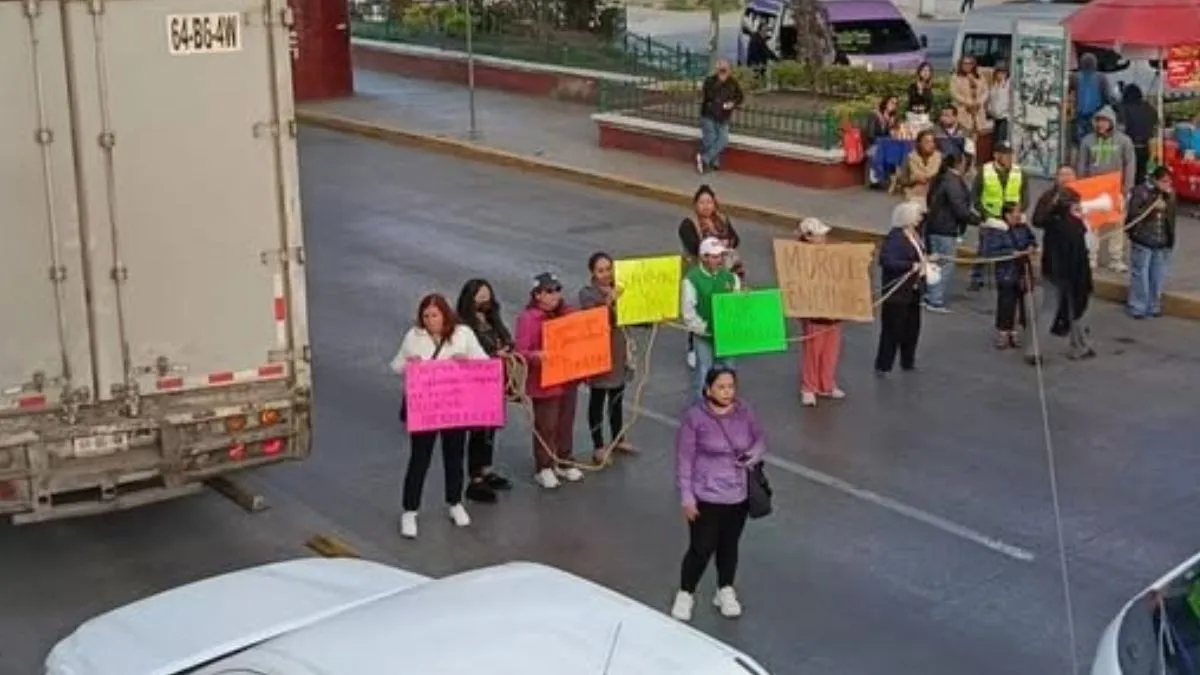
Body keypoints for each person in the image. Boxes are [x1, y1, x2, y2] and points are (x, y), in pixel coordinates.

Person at [390, 293, 490, 539]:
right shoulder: (414, 337)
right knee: (419, 459)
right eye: (425, 316)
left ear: (445, 314)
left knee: (454, 456)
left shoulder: (463, 334)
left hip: (455, 408)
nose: (430, 320)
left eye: (434, 315)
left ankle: (455, 503)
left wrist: (467, 361)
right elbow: (395, 365)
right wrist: (408, 364)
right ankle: (410, 510)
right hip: (426, 410)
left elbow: (484, 362)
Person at [670, 366, 764, 623]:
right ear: (708, 389)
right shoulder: (695, 418)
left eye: (731, 387)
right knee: (701, 547)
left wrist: (751, 457)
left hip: (738, 494)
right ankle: (686, 593)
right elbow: (684, 459)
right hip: (706, 495)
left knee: (729, 545)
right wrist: (687, 497)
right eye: (721, 387)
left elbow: (759, 440)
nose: (727, 392)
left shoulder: (745, 412)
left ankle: (725, 589)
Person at [514, 272, 585, 489]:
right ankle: (543, 466)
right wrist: (537, 356)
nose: (554, 295)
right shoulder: (528, 319)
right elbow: (521, 352)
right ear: (537, 295)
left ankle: (564, 459)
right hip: (544, 381)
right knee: (547, 425)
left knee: (566, 421)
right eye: (549, 291)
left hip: (567, 377)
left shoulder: (567, 313)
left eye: (557, 290)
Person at [455, 279, 515, 504]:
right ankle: (475, 479)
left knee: (491, 429)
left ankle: (487, 469)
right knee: (478, 432)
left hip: (495, 382)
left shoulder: (492, 320)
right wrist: (493, 355)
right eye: (479, 297)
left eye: (487, 297)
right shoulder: (463, 327)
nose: (484, 301)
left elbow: (506, 338)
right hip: (475, 385)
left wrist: (508, 348)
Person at [578, 252, 636, 464]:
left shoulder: (621, 288)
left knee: (617, 397)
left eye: (608, 269)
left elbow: (634, 314)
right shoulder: (587, 294)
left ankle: (618, 438)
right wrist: (609, 301)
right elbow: (593, 319)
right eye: (600, 270)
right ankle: (598, 445)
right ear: (592, 272)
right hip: (599, 352)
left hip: (618, 348)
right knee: (598, 399)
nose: (605, 274)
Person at [1028, 189, 1096, 363]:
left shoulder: (1052, 221)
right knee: (1077, 310)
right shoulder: (1075, 226)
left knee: (1048, 309)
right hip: (1072, 276)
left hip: (1052, 272)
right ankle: (1079, 347)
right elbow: (1079, 254)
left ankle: (1034, 350)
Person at [679, 184, 742, 369]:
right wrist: (711, 250)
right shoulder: (689, 223)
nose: (706, 206)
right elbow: (693, 246)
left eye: (709, 202)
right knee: (699, 306)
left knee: (722, 304)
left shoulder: (722, 219)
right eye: (702, 202)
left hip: (723, 271)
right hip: (699, 270)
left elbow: (735, 239)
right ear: (695, 204)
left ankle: (722, 339)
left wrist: (724, 250)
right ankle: (694, 347)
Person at [875, 201, 934, 374]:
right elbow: (887, 261)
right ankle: (884, 365)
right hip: (898, 291)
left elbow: (919, 255)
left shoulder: (915, 234)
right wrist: (910, 265)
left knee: (912, 328)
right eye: (917, 215)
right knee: (892, 329)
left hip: (914, 290)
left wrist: (927, 259)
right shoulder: (895, 237)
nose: (920, 218)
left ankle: (908, 361)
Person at [1077, 105, 1136, 272]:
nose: (1101, 124)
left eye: (1104, 121)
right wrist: (1081, 188)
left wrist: (1127, 188)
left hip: (1116, 189)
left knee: (1116, 225)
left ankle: (1115, 258)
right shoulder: (1087, 141)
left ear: (1112, 122)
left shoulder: (1124, 141)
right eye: (1098, 121)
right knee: (1092, 225)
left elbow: (1130, 164)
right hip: (1093, 189)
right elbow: (1081, 165)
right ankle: (1091, 256)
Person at [682, 238, 741, 399]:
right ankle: (701, 410)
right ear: (704, 257)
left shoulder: (731, 278)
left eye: (720, 256)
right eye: (715, 257)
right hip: (704, 336)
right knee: (704, 372)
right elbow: (688, 313)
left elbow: (736, 304)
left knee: (728, 371)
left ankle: (726, 406)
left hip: (726, 336)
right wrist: (705, 328)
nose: (719, 260)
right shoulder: (691, 280)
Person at [795, 218, 845, 406]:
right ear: (808, 237)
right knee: (813, 351)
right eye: (820, 234)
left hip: (833, 310)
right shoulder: (798, 257)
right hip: (814, 311)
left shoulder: (830, 254)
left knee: (831, 350)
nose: (824, 237)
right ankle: (809, 387)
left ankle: (827, 383)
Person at [923, 151, 979, 312]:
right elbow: (960, 208)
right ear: (960, 164)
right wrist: (977, 220)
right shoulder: (953, 182)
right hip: (946, 228)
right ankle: (935, 299)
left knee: (934, 263)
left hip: (934, 225)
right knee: (945, 264)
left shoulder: (940, 178)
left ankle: (930, 294)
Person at [978, 203, 1038, 349]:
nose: (1019, 215)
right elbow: (989, 252)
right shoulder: (997, 231)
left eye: (1019, 211)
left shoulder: (1023, 227)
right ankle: (1003, 332)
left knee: (1020, 302)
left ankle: (1015, 330)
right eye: (1015, 212)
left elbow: (1032, 240)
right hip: (1006, 271)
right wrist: (1010, 253)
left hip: (1022, 269)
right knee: (1006, 302)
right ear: (1007, 215)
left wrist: (1031, 247)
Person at [971, 141, 1028, 290]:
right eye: (1005, 154)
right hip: (991, 216)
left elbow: (1024, 196)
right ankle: (977, 278)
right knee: (984, 249)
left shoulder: (1019, 172)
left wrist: (1018, 212)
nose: (1009, 158)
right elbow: (975, 196)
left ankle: (1009, 276)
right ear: (996, 155)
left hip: (1011, 218)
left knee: (1011, 249)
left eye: (1010, 154)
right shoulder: (984, 171)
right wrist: (985, 214)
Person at [1126, 166, 1176, 319]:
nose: (1166, 185)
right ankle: (1138, 306)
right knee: (1140, 274)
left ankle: (1153, 305)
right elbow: (1134, 214)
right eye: (1163, 182)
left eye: (1169, 182)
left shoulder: (1170, 194)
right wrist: (1153, 205)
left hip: (1161, 240)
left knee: (1157, 275)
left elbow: (1171, 217)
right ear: (1155, 180)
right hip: (1143, 239)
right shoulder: (1140, 192)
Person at [695, 58, 744, 174]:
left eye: (725, 68)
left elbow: (740, 97)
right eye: (720, 68)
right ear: (717, 69)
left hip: (724, 116)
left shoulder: (733, 83)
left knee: (723, 139)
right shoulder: (710, 81)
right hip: (709, 114)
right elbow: (709, 95)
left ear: (729, 69)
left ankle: (704, 158)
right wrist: (720, 82)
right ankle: (713, 163)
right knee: (710, 139)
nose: (723, 71)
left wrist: (733, 103)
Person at [1116, 84, 1159, 187]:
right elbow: (1156, 125)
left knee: (1128, 178)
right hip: (1148, 148)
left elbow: (1121, 128)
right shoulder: (1149, 108)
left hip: (1129, 147)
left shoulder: (1124, 107)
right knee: (1144, 176)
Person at [1070, 53, 1114, 146]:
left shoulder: (1075, 77)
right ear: (1095, 64)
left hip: (1080, 115)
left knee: (1081, 142)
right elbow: (1108, 96)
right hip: (1096, 114)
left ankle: (1083, 156)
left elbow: (1068, 91)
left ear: (1081, 64)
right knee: (1095, 141)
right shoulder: (1101, 77)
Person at [897, 129, 942, 202]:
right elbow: (903, 180)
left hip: (935, 196)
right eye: (927, 142)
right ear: (919, 143)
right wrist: (914, 180)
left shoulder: (940, 158)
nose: (931, 145)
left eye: (932, 142)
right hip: (913, 195)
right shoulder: (910, 158)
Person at [865, 95, 900, 188]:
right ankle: (875, 180)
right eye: (892, 102)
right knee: (879, 150)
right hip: (874, 143)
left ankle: (893, 178)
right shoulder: (874, 114)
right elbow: (870, 134)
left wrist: (893, 130)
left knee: (897, 150)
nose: (894, 105)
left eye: (896, 104)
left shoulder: (893, 117)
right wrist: (882, 141)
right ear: (885, 102)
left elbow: (895, 133)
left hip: (887, 143)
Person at [950, 56, 988, 140]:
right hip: (963, 111)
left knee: (976, 138)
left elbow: (985, 91)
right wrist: (967, 102)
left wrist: (980, 101)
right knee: (964, 137)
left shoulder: (980, 76)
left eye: (970, 63)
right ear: (961, 64)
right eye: (965, 63)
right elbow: (954, 93)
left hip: (977, 111)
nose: (968, 65)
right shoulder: (955, 77)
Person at [986, 62, 1012, 146]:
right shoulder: (993, 85)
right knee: (995, 140)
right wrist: (990, 110)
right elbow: (990, 100)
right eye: (999, 72)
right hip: (995, 117)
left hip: (1005, 117)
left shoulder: (1008, 84)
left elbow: (1009, 100)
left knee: (1001, 141)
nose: (1001, 74)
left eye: (1004, 72)